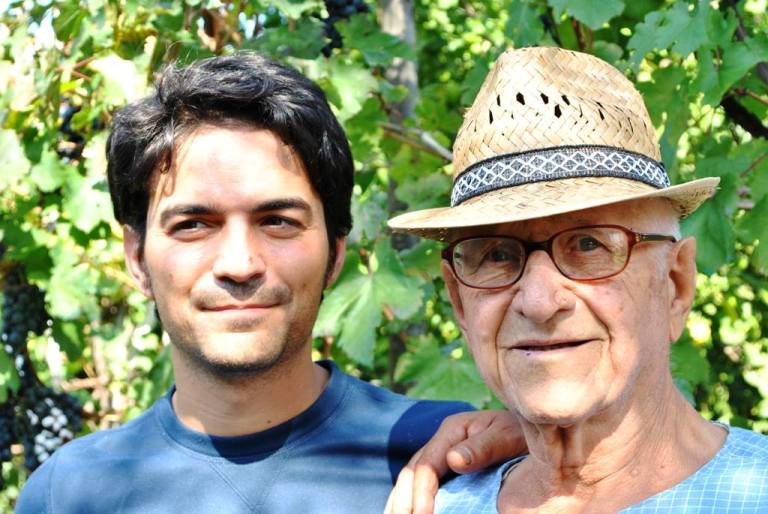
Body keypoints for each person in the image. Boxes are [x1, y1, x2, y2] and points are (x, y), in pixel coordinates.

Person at [16, 53, 525, 513]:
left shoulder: (451, 458)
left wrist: (543, 450)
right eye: (193, 224)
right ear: (136, 257)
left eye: (278, 221)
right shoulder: (68, 494)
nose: (239, 264)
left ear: (336, 253)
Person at [388, 46, 768, 513]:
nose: (539, 302)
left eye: (589, 245)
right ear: (460, 303)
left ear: (675, 285)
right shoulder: (431, 505)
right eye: (497, 255)